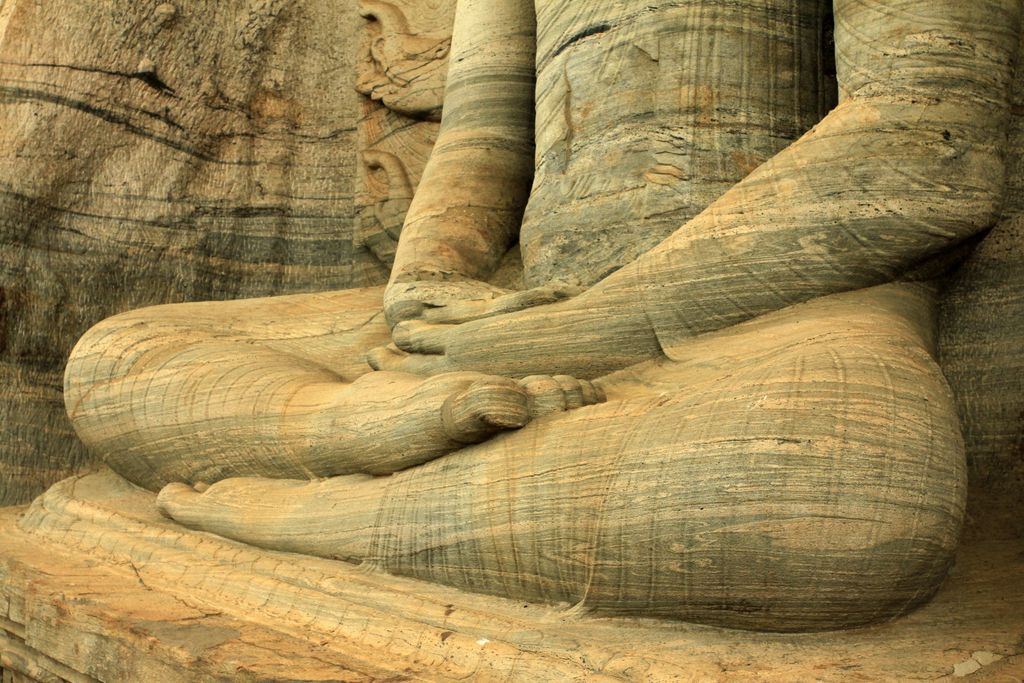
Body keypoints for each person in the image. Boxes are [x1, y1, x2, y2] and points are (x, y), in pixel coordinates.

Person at [65, 0, 1020, 631]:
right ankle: (342, 431)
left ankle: (336, 510)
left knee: (842, 506)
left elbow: (926, 145)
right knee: (116, 356)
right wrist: (430, 283)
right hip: (509, 306)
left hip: (776, 308)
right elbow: (481, 137)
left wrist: (601, 327)